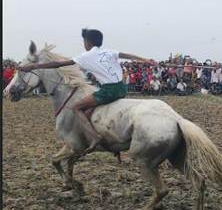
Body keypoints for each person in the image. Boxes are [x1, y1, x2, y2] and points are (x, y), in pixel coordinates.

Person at [20, 28, 155, 152]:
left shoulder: (86, 56)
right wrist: (144, 60)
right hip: (121, 88)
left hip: (109, 90)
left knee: (77, 107)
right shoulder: (109, 52)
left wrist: (33, 67)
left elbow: (57, 64)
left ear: (87, 43)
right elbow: (127, 55)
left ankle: (95, 137)